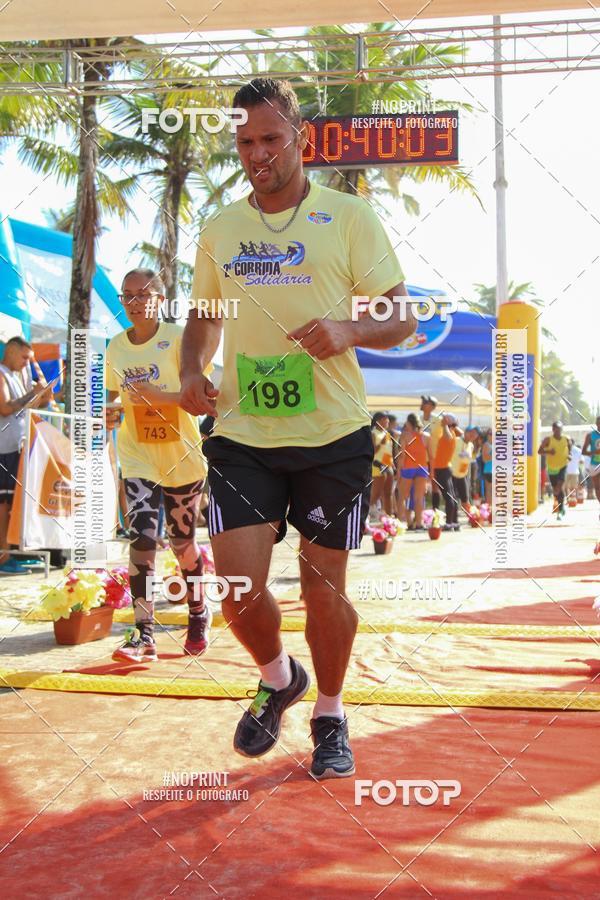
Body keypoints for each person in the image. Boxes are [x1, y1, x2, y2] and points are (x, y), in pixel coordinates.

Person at [180, 78, 416, 780]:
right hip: (244, 432)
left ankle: (330, 713)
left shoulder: (348, 217)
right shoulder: (221, 228)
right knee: (237, 588)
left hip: (332, 435)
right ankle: (280, 675)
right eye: (245, 141)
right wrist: (193, 367)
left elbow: (400, 317)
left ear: (301, 138)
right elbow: (203, 316)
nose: (258, 153)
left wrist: (347, 327)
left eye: (271, 139)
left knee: (324, 587)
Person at [106, 269, 211, 661]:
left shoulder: (180, 339)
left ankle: (198, 611)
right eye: (127, 296)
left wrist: (158, 395)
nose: (134, 303)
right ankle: (143, 633)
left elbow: (201, 395)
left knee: (183, 544)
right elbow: (116, 396)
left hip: (181, 454)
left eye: (142, 295)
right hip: (138, 453)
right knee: (143, 538)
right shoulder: (116, 346)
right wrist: (110, 413)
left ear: (160, 299)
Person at [0, 336, 54, 572]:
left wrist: (43, 393)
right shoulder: (2, 373)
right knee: (4, 502)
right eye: (24, 358)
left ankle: (12, 551)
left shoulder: (19, 375)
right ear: (10, 351)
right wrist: (30, 394)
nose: (25, 364)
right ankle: (4, 553)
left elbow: (32, 405)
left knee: (13, 502)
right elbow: (4, 407)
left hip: (19, 446)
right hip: (4, 448)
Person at [397, 413, 430, 529]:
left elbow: (402, 456)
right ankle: (419, 523)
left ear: (409, 423)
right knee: (418, 497)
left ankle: (404, 523)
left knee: (403, 497)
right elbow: (430, 456)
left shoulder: (405, 436)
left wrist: (398, 472)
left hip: (408, 467)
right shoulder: (426, 436)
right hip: (422, 468)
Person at [538, 421, 571, 520]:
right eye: (556, 430)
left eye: (560, 429)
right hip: (552, 467)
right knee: (557, 490)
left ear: (562, 429)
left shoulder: (566, 439)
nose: (558, 432)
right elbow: (539, 451)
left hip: (563, 466)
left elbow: (569, 448)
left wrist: (570, 455)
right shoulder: (548, 440)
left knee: (559, 486)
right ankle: (561, 507)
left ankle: (560, 511)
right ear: (553, 430)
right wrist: (549, 451)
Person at [433, 413, 459, 530]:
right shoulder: (451, 433)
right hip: (444, 468)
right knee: (451, 495)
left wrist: (445, 425)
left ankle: (449, 523)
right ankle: (453, 522)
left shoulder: (449, 433)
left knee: (449, 496)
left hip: (442, 468)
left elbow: (447, 436)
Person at [370, 411, 394, 519]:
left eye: (388, 419)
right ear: (378, 421)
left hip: (388, 465)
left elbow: (389, 450)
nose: (387, 421)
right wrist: (382, 443)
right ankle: (368, 516)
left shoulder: (387, 434)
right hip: (377, 465)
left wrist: (392, 463)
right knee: (377, 493)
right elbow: (373, 451)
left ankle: (389, 518)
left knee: (388, 493)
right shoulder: (373, 433)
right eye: (385, 419)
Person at [451, 422, 473, 519]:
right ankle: (453, 518)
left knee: (465, 499)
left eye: (474, 434)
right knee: (454, 497)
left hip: (463, 474)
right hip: (453, 473)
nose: (472, 436)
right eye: (470, 433)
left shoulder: (471, 445)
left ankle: (472, 518)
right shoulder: (456, 440)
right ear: (466, 432)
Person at [582, 416, 600, 517]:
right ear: (596, 424)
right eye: (599, 423)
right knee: (597, 488)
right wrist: (594, 452)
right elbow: (583, 451)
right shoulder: (590, 435)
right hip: (594, 464)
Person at [481, 428, 493, 506]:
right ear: (488, 435)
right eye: (490, 434)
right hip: (489, 470)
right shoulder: (486, 444)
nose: (492, 436)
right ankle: (489, 508)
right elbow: (484, 459)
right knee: (489, 490)